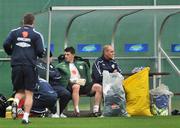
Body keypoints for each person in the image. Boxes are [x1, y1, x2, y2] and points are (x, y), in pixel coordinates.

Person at [3, 13, 44, 124]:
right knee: (29, 92)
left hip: (16, 65)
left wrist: (11, 52)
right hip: (29, 66)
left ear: (23, 21)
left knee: (19, 91)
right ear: (33, 22)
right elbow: (41, 51)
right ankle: (25, 117)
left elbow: (6, 44)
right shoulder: (36, 35)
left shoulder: (14, 32)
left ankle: (15, 101)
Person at [56, 47, 102, 117]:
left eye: (68, 54)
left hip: (83, 84)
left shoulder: (82, 63)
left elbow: (88, 78)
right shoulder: (60, 66)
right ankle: (76, 110)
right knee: (76, 86)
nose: (65, 56)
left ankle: (95, 111)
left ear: (73, 55)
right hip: (70, 86)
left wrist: (88, 82)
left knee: (98, 87)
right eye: (65, 54)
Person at [36, 49, 71, 118]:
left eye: (49, 57)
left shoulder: (51, 66)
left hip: (54, 85)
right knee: (50, 95)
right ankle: (53, 111)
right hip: (43, 85)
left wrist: (50, 74)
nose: (49, 59)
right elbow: (43, 74)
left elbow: (57, 75)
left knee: (66, 94)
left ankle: (59, 112)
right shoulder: (38, 63)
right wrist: (50, 74)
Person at [91, 45, 122, 115]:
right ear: (105, 52)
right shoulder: (98, 62)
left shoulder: (113, 62)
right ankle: (95, 111)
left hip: (112, 84)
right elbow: (98, 77)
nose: (113, 53)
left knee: (123, 88)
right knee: (101, 88)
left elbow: (120, 74)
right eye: (111, 52)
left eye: (113, 51)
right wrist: (112, 74)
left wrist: (114, 74)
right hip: (100, 83)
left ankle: (120, 109)